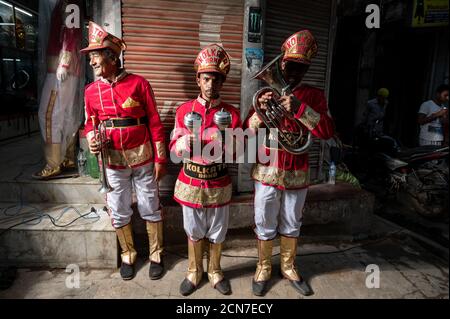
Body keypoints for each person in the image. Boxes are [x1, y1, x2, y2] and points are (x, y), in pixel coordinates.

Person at [245, 30, 334, 296]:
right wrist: (259, 115)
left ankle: (288, 266)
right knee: (263, 219)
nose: (294, 72)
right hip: (267, 168)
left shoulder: (315, 96)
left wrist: (299, 108)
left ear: (306, 69)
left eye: (300, 67)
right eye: (290, 65)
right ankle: (263, 267)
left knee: (292, 220)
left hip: (297, 169)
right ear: (281, 64)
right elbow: (245, 131)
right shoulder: (266, 92)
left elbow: (327, 131)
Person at [81, 21, 168, 281]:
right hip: (112, 161)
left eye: (95, 56)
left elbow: (154, 121)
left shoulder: (140, 84)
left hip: (143, 157)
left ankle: (156, 254)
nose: (92, 63)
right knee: (118, 208)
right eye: (91, 58)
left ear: (112, 57)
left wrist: (161, 158)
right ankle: (128, 255)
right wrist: (91, 139)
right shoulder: (90, 91)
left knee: (150, 206)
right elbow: (88, 122)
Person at [169, 44, 241, 296]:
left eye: (216, 80)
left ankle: (216, 271)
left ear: (222, 82)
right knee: (193, 229)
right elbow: (172, 147)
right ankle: (193, 270)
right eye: (207, 78)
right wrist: (180, 144)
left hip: (219, 181)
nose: (211, 84)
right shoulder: (183, 110)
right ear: (198, 79)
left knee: (218, 231)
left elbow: (239, 152)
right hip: (190, 181)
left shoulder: (231, 114)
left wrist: (231, 143)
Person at [33, 0, 83, 179]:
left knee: (49, 114)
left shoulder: (70, 3)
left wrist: (64, 62)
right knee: (65, 115)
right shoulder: (68, 3)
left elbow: (71, 33)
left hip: (60, 68)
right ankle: (66, 159)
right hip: (64, 68)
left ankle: (53, 163)